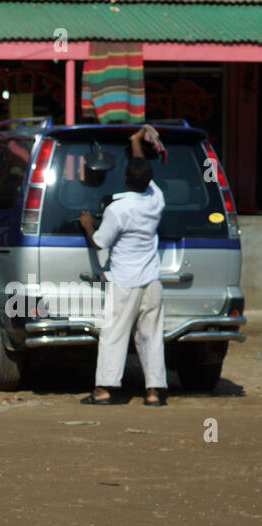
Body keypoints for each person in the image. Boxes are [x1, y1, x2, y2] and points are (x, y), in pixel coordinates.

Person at [78, 127, 168, 406]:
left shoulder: (118, 209)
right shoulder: (155, 201)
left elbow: (101, 243)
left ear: (126, 179)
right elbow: (144, 172)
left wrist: (87, 225)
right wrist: (135, 144)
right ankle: (154, 392)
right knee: (151, 337)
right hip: (151, 281)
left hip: (124, 282)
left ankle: (104, 390)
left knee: (113, 335)